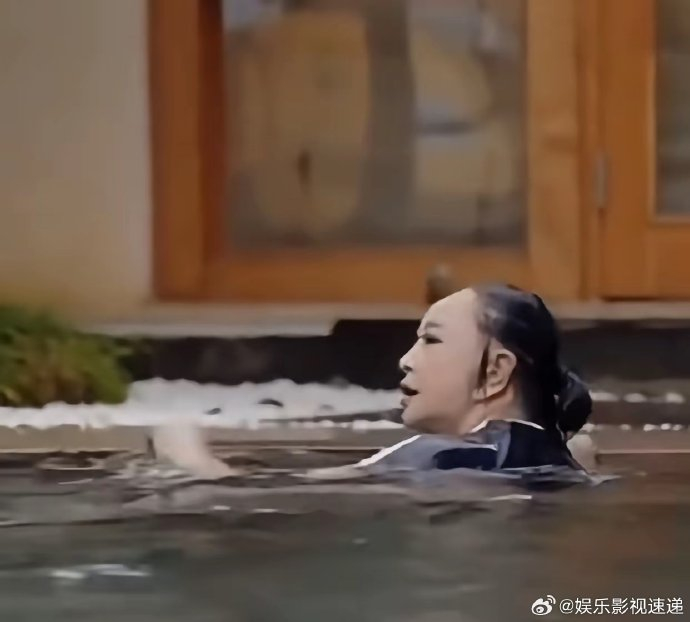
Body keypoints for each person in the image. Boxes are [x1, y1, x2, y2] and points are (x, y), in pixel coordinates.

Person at [347, 283, 593, 476]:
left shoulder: (427, 457)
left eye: (431, 340)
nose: (406, 360)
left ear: (495, 371)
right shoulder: (566, 465)